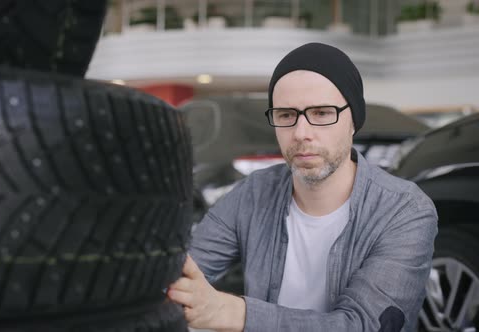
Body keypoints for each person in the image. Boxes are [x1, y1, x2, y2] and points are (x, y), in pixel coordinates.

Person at [167, 42, 438, 331]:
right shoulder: (254, 193)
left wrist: (234, 313)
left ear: (353, 122)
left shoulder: (404, 210)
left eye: (322, 113)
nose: (301, 133)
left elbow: (364, 325)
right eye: (286, 115)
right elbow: (184, 273)